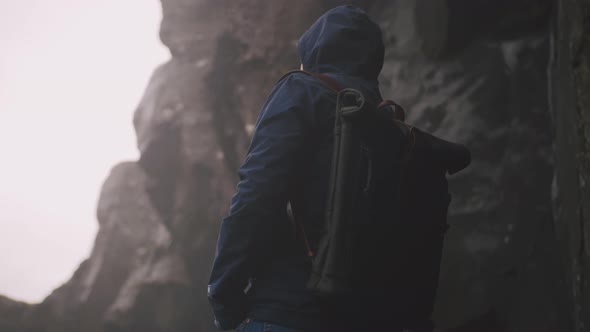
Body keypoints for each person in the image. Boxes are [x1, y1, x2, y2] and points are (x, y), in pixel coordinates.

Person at [208, 5, 420, 332]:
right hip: (364, 317)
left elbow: (256, 196)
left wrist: (223, 296)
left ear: (313, 51)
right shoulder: (389, 127)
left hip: (285, 310)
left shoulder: (302, 90)